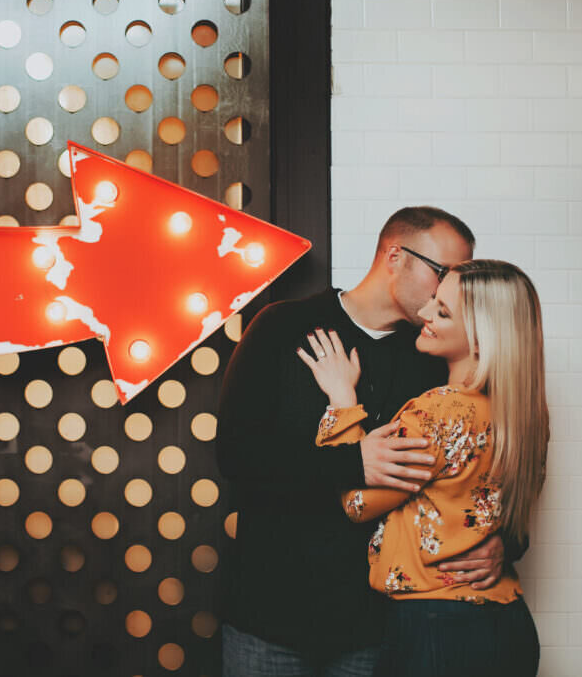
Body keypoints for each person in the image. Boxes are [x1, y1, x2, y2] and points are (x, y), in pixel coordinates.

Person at [216, 207, 515, 676]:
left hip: (375, 627)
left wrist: (503, 541)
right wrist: (354, 462)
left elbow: (488, 461)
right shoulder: (280, 326)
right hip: (268, 615)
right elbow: (236, 456)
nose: (446, 292)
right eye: (442, 273)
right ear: (395, 255)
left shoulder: (437, 354)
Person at [298, 259, 545, 676]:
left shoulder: (440, 411)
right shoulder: (524, 413)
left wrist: (342, 401)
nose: (425, 314)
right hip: (505, 621)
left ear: (482, 341)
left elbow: (356, 503)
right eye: (434, 300)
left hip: (438, 631)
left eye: (443, 312)